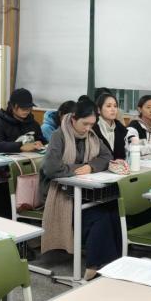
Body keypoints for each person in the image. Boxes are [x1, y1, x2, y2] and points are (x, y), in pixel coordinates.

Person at [41, 100, 121, 280]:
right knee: (99, 216)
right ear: (73, 119)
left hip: (82, 191)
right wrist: (79, 168)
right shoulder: (59, 135)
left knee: (112, 209)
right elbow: (51, 168)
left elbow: (107, 156)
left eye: (92, 124)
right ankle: (95, 264)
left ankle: (112, 262)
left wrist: (91, 166)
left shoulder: (91, 135)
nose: (88, 128)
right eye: (85, 124)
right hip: (60, 194)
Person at [0, 89, 46, 154]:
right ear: (12, 106)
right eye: (23, 108)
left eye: (29, 108)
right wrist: (20, 146)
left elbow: (42, 140)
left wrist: (40, 143)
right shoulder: (0, 123)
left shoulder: (33, 123)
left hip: (31, 158)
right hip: (7, 159)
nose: (27, 111)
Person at [94, 93, 127, 160]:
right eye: (108, 106)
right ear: (99, 110)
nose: (113, 109)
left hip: (119, 165)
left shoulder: (121, 128)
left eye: (115, 106)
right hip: (99, 166)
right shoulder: (93, 128)